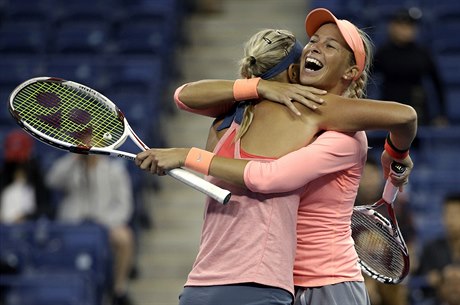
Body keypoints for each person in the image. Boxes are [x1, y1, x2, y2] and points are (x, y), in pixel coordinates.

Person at [136, 9, 417, 305]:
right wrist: (260, 86)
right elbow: (183, 96)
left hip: (327, 282)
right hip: (282, 279)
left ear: (350, 72)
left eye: (330, 46)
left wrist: (395, 153)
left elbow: (270, 177)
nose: (315, 47)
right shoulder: (279, 110)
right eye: (314, 40)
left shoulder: (344, 137)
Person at [45, 154, 136, 305]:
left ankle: (119, 290)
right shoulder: (72, 166)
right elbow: (51, 180)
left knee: (125, 238)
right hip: (72, 225)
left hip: (104, 225)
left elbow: (124, 206)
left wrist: (104, 224)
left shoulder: (114, 169)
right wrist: (74, 157)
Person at [373, 8, 448, 126]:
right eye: (401, 25)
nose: (405, 30)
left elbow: (437, 83)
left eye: (410, 26)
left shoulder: (422, 53)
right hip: (389, 110)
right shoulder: (383, 52)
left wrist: (442, 114)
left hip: (418, 111)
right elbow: (367, 80)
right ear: (392, 27)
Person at [414, 193, 460, 305]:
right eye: (447, 214)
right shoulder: (431, 248)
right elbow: (421, 281)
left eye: (456, 214)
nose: (450, 220)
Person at [0, 129, 52, 223]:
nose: (17, 166)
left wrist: (27, 216)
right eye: (13, 162)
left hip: (31, 228)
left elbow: (46, 208)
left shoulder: (36, 177)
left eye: (21, 161)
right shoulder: (4, 175)